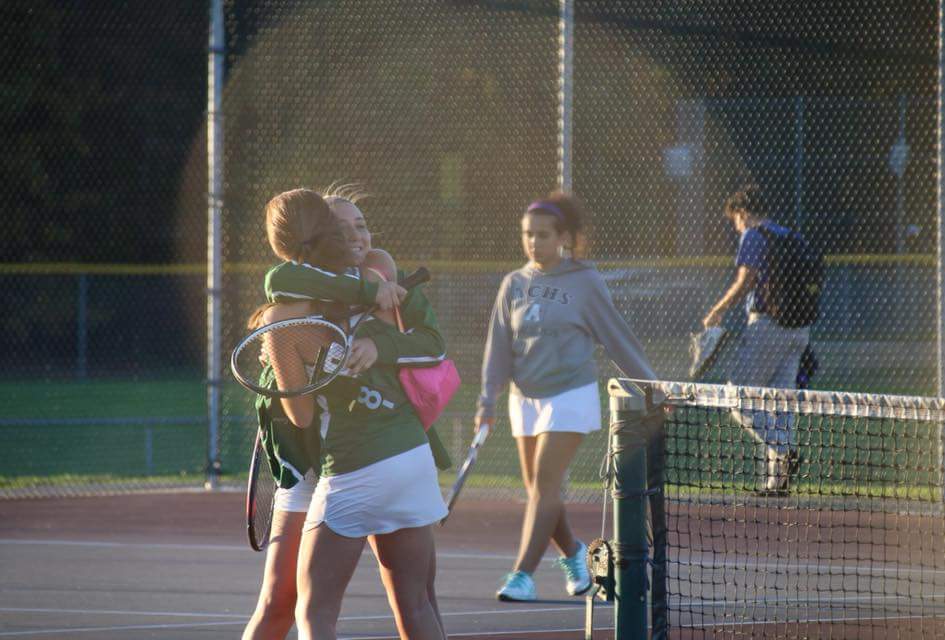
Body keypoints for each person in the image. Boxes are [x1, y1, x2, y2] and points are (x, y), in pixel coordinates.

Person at [243, 187, 448, 639]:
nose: (356, 235)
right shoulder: (294, 302)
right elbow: (282, 283)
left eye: (362, 224)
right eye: (342, 227)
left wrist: (378, 344)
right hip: (312, 463)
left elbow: (431, 344)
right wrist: (279, 362)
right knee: (281, 602)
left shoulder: (379, 272)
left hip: (361, 456)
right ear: (319, 236)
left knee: (408, 598)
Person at [476, 191, 658, 602]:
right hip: (524, 399)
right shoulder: (513, 283)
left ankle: (522, 575)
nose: (533, 242)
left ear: (563, 238)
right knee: (541, 492)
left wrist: (650, 385)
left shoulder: (585, 282)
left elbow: (616, 338)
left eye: (542, 235)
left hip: (570, 395)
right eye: (527, 234)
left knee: (544, 485)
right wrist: (486, 401)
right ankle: (576, 556)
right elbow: (497, 347)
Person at [702, 184, 811, 495]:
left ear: (743, 213)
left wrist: (718, 309)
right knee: (780, 404)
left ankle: (784, 452)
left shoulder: (753, 234)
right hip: (799, 329)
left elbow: (745, 279)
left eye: (735, 220)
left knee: (737, 397)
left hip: (767, 325)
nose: (736, 227)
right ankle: (777, 482)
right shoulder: (790, 235)